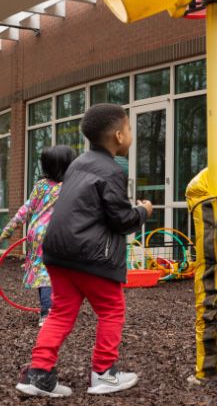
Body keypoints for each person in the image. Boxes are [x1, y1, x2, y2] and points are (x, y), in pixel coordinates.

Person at [15, 103, 153, 397]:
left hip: (56, 252)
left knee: (60, 313)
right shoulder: (111, 171)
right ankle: (104, 372)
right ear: (118, 135)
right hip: (89, 254)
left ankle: (38, 375)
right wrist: (142, 211)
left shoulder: (77, 164)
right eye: (128, 129)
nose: (130, 135)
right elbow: (121, 220)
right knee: (111, 309)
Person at [0, 145, 76, 326]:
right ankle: (48, 312)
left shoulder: (40, 186)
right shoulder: (69, 188)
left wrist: (7, 231)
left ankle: (48, 309)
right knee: (53, 273)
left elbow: (25, 210)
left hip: (36, 236)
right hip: (57, 235)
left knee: (43, 273)